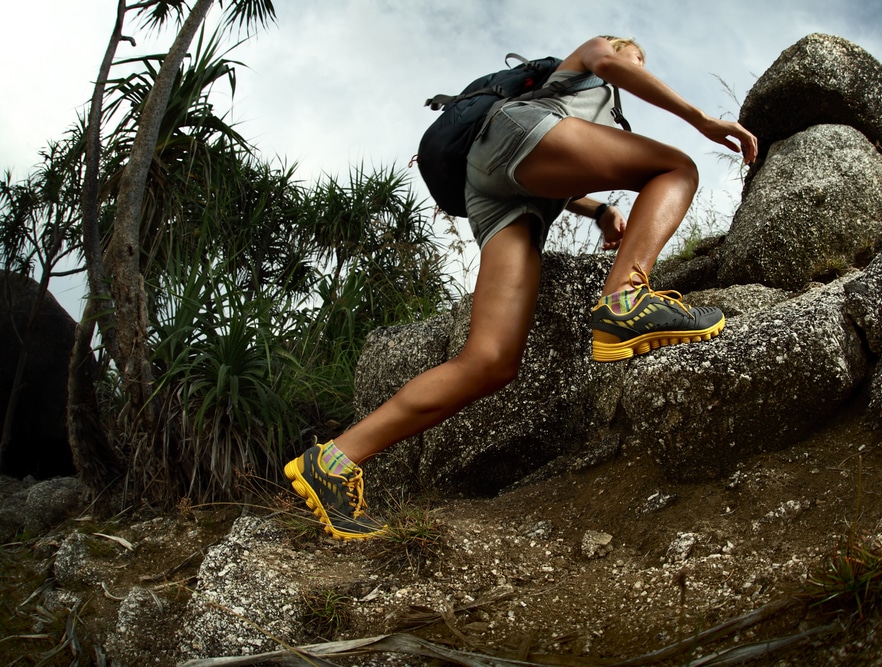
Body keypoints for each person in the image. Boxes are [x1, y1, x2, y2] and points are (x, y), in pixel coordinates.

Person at [284, 35, 758, 540]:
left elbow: (542, 163)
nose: (636, 65)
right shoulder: (597, 55)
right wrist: (700, 119)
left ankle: (331, 462)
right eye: (636, 56)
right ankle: (625, 300)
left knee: (489, 361)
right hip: (513, 139)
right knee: (677, 168)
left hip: (497, 187)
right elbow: (600, 71)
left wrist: (598, 210)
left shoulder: (583, 111)